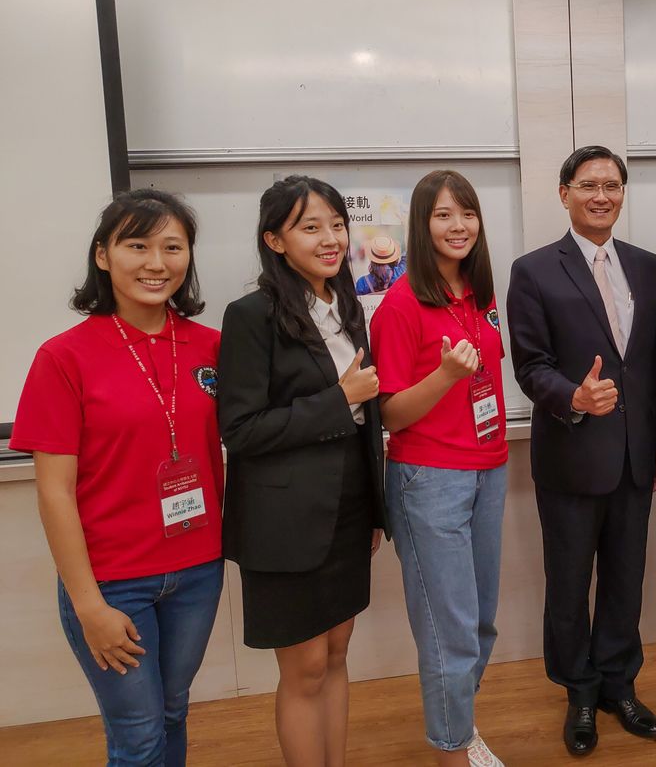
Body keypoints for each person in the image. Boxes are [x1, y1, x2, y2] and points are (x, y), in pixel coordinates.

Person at [11, 189, 224, 766]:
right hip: (112, 582)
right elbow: (53, 492)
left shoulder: (213, 348)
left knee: (174, 711)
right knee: (139, 736)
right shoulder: (64, 357)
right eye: (137, 245)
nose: (157, 262)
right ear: (103, 256)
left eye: (172, 247)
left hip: (198, 571)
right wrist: (88, 605)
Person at [218, 175, 388, 767]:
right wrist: (337, 400)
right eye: (310, 227)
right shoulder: (251, 316)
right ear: (274, 240)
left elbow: (366, 425)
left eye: (337, 224)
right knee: (305, 667)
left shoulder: (347, 308)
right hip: (283, 524)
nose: (331, 238)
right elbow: (239, 430)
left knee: (338, 654)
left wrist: (375, 510)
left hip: (346, 511)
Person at [506, 145, 656, 757]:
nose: (600, 195)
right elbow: (528, 364)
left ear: (623, 192)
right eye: (587, 184)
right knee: (570, 584)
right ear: (564, 193)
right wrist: (573, 395)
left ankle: (618, 685)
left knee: (627, 580)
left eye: (611, 184)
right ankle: (577, 689)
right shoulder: (535, 269)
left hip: (634, 457)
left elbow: (647, 364)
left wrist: (654, 442)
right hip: (571, 454)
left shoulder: (647, 266)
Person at [369, 170, 509, 767]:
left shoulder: (480, 293)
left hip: (490, 468)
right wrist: (446, 376)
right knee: (448, 632)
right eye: (443, 215)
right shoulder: (400, 305)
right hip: (430, 479)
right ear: (420, 226)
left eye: (468, 214)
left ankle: (459, 726)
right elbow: (392, 414)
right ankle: (453, 750)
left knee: (479, 628)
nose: (459, 227)